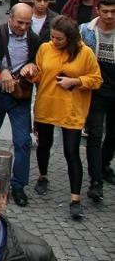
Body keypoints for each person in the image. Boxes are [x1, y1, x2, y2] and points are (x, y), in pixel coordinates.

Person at [28, 15, 101, 219]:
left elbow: (96, 79)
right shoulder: (45, 48)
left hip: (71, 110)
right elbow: (40, 73)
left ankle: (75, 198)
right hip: (47, 105)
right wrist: (31, 73)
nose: (54, 41)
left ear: (70, 38)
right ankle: (43, 176)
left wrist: (75, 81)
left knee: (71, 152)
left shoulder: (85, 53)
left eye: (59, 38)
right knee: (44, 145)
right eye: (52, 37)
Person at [0, 3, 40, 207]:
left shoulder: (33, 39)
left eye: (27, 23)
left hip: (19, 97)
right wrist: (1, 69)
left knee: (23, 141)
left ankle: (18, 185)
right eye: (19, 22)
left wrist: (32, 66)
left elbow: (38, 60)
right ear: (10, 19)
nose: (23, 27)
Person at [80, 0, 115, 193]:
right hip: (95, 91)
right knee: (94, 135)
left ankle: (104, 165)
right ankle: (96, 181)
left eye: (113, 12)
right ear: (98, 10)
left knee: (112, 135)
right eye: (105, 11)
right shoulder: (86, 31)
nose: (109, 16)